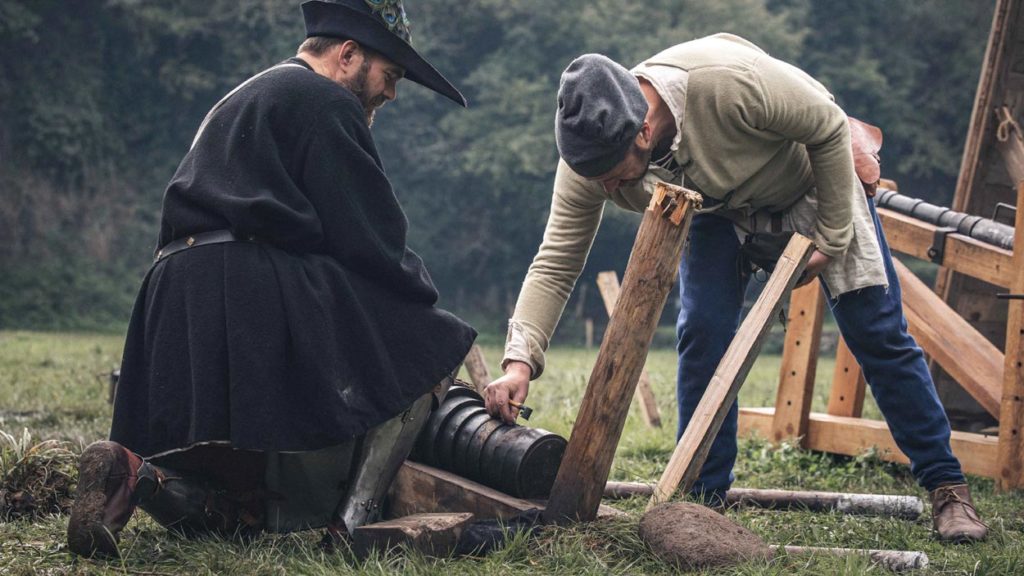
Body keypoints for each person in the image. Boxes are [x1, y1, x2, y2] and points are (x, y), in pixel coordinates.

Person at [483, 33, 987, 543]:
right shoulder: (590, 160)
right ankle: (703, 503)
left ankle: (947, 488)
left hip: (811, 181)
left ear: (642, 131)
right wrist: (518, 362)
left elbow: (828, 127)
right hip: (717, 208)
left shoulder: (725, 83)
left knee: (876, 332)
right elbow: (556, 260)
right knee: (702, 334)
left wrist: (831, 241)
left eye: (614, 179)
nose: (609, 191)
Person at [67, 0, 475, 558]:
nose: (391, 94)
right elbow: (374, 240)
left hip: (172, 295)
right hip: (246, 289)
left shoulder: (244, 95)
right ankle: (349, 526)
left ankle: (131, 474)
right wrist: (431, 311)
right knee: (433, 341)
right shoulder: (326, 100)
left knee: (236, 513)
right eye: (390, 75)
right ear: (349, 55)